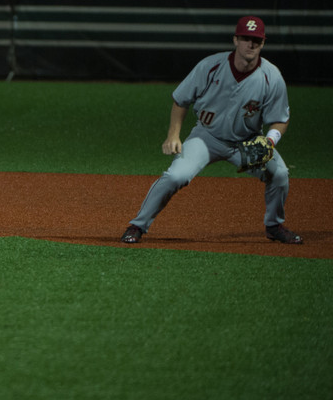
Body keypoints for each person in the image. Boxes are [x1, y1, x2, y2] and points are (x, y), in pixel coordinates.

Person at [121, 15, 301, 245]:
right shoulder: (211, 66)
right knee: (176, 175)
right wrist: (173, 135)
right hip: (207, 137)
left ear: (263, 43)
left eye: (256, 40)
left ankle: (274, 226)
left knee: (280, 174)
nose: (251, 44)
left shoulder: (271, 76)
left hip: (246, 142)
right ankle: (137, 225)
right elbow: (181, 100)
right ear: (235, 40)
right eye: (246, 38)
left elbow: (281, 119)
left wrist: (270, 141)